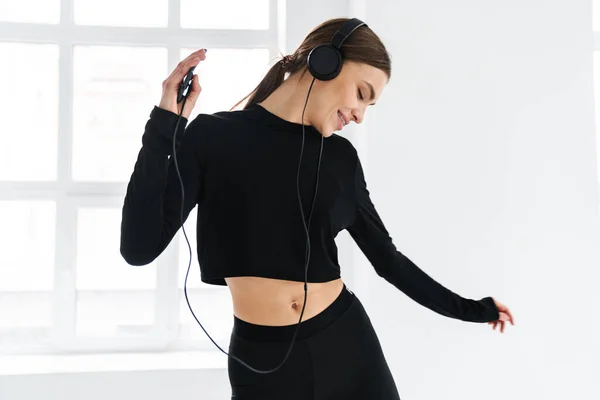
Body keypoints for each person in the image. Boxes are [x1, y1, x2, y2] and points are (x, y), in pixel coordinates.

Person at [120, 17, 514, 400]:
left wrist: (474, 310)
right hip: (261, 362)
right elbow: (138, 248)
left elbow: (388, 260)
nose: (360, 115)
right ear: (324, 62)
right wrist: (165, 125)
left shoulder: (341, 159)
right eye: (361, 93)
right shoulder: (212, 138)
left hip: (346, 347)